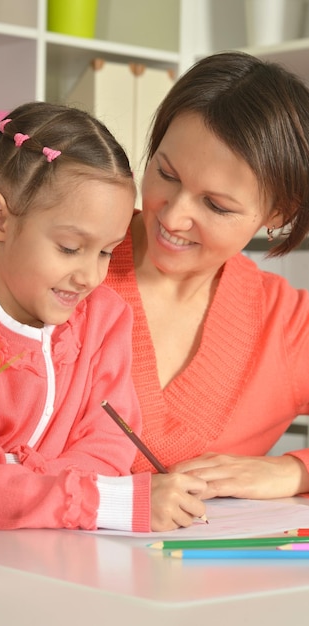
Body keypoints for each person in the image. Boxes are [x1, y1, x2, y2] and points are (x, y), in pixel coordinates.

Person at [0, 101, 207, 532]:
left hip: (66, 553)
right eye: (70, 248)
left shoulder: (105, 320)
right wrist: (100, 502)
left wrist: (31, 494)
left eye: (106, 251)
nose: (89, 275)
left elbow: (109, 450)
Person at [104, 50, 309, 510]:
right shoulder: (67, 259)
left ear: (279, 212)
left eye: (216, 206)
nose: (174, 216)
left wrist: (292, 470)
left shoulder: (287, 324)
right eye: (166, 174)